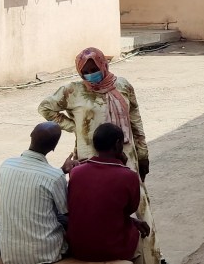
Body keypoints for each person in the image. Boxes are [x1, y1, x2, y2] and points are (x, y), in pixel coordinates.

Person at [38, 47, 160, 264]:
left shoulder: (122, 86)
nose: (91, 74)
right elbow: (46, 108)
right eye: (86, 71)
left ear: (104, 65)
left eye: (94, 69)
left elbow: (135, 122)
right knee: (98, 207)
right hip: (89, 159)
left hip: (125, 156)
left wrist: (143, 154)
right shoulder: (72, 90)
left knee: (139, 209)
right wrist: (75, 126)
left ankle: (151, 258)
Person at [67, 123, 150, 262]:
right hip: (111, 250)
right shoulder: (128, 176)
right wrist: (122, 165)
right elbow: (129, 209)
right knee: (143, 241)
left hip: (77, 248)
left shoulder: (76, 172)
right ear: (118, 144)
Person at [0, 122, 77, 264]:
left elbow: (34, 182)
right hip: (45, 254)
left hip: (9, 254)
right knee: (70, 220)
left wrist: (61, 171)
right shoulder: (54, 176)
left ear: (31, 135)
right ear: (54, 147)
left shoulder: (6, 165)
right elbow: (66, 212)